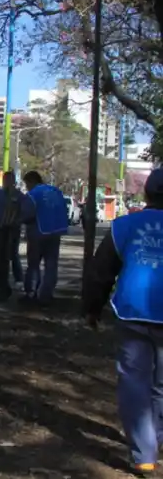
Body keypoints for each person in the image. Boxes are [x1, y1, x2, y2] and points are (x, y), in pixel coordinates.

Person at [83, 168, 163, 476]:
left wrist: (92, 308)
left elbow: (101, 272)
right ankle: (155, 438)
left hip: (133, 312)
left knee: (134, 382)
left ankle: (144, 454)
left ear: (147, 194)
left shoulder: (125, 226)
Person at [19, 171, 68, 304]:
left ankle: (31, 293)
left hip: (38, 232)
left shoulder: (33, 194)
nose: (27, 187)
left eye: (26, 184)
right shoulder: (56, 191)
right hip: (55, 232)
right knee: (51, 265)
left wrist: (19, 220)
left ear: (31, 181)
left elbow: (27, 214)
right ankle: (46, 294)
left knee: (33, 264)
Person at [0, 171, 24, 284]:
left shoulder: (19, 195)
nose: (7, 183)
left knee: (13, 254)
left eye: (10, 180)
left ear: (14, 182)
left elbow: (24, 211)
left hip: (14, 229)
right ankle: (0, 278)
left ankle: (19, 279)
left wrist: (18, 221)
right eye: (5, 180)